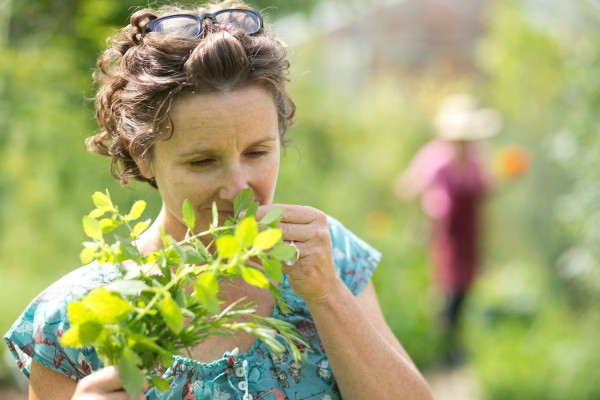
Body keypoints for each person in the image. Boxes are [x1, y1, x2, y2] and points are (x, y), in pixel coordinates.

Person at [4, 1, 433, 399]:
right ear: (144, 156)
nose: (238, 186)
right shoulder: (78, 317)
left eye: (258, 153)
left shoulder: (326, 255)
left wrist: (328, 295)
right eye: (203, 161)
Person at [395, 93, 502, 365]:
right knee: (446, 290)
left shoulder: (476, 160)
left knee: (465, 289)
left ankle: (455, 344)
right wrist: (427, 203)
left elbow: (486, 190)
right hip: (445, 233)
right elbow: (407, 186)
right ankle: (443, 348)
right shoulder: (437, 158)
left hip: (470, 233)